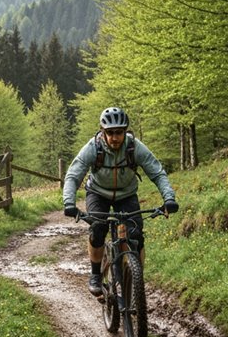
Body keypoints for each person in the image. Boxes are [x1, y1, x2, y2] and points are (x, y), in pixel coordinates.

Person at [62, 107, 179, 296]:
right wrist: (69, 202)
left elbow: (157, 173)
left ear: (125, 131)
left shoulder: (134, 147)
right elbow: (73, 176)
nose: (114, 137)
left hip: (126, 195)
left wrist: (169, 198)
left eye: (119, 132)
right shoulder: (93, 147)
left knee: (135, 235)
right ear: (102, 132)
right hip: (97, 193)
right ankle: (95, 275)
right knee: (98, 228)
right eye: (109, 133)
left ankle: (136, 280)